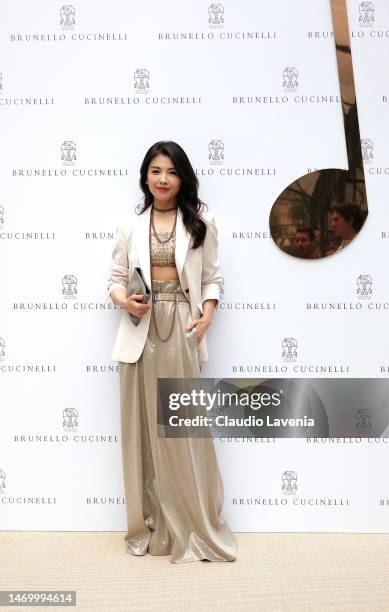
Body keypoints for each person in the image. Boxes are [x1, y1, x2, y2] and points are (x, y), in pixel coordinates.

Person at [107, 140, 237, 564]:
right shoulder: (130, 225)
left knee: (180, 427)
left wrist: (206, 316)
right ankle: (150, 524)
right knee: (142, 428)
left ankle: (192, 522)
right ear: (145, 176)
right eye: (155, 171)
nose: (163, 179)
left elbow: (213, 278)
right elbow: (114, 278)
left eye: (171, 171)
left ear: (183, 177)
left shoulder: (201, 222)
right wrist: (125, 300)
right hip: (139, 330)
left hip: (181, 325)